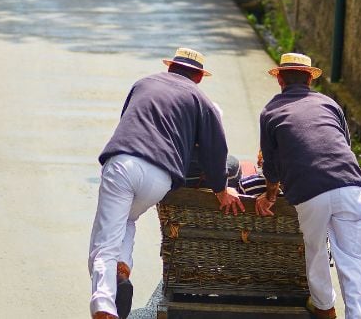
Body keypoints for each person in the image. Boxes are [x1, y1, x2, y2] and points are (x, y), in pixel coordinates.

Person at [89, 48, 245, 319]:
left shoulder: (143, 84)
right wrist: (221, 189)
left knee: (104, 243)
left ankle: (104, 304)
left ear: (171, 68)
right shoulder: (201, 100)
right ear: (198, 76)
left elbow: (128, 121)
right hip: (160, 177)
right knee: (127, 219)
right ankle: (121, 268)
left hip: (124, 164)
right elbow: (216, 151)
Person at [254, 53, 361, 319]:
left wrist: (270, 194)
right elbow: (344, 146)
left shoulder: (271, 110)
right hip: (351, 186)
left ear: (280, 79)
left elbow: (270, 164)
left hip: (310, 192)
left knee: (316, 250)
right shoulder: (329, 103)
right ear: (309, 79)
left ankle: (325, 310)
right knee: (354, 263)